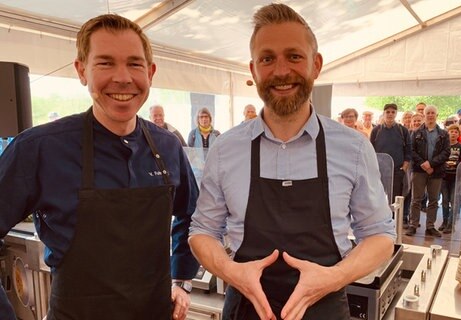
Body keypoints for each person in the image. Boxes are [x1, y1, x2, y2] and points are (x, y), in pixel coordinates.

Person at [188, 4, 396, 320]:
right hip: (245, 309)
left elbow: (380, 235)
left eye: (294, 56)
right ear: (253, 69)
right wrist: (231, 272)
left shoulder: (353, 148)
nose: (281, 71)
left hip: (324, 309)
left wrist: (335, 276)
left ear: (316, 64)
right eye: (267, 59)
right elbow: (202, 230)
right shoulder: (226, 148)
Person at [0, 14, 198, 320]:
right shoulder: (39, 148)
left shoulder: (167, 146)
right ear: (81, 70)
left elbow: (190, 215)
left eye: (134, 63)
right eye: (105, 63)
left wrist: (181, 279)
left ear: (151, 72)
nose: (123, 77)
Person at [406, 105, 450, 238]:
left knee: (433, 200)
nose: (430, 115)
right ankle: (413, 225)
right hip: (419, 171)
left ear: (437, 115)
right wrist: (423, 164)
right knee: (416, 199)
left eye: (433, 113)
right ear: (424, 115)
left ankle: (430, 226)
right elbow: (411, 150)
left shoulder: (444, 134)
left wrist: (431, 164)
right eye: (428, 113)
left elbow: (446, 152)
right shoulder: (416, 133)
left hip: (436, 171)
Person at [370, 103, 411, 215]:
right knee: (379, 197)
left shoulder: (403, 131)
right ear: (384, 113)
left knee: (395, 199)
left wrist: (404, 167)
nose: (390, 114)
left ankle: (393, 223)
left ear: (396, 114)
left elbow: (408, 150)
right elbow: (371, 150)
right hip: (380, 170)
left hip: (397, 170)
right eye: (388, 112)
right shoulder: (376, 131)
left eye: (393, 112)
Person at [439, 124, 461, 234]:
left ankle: (451, 223)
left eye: (455, 132)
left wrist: (457, 164)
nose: (453, 134)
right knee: (445, 200)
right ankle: (444, 221)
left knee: (454, 200)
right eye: (451, 131)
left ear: (458, 134)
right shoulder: (443, 146)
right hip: (444, 176)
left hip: (456, 177)